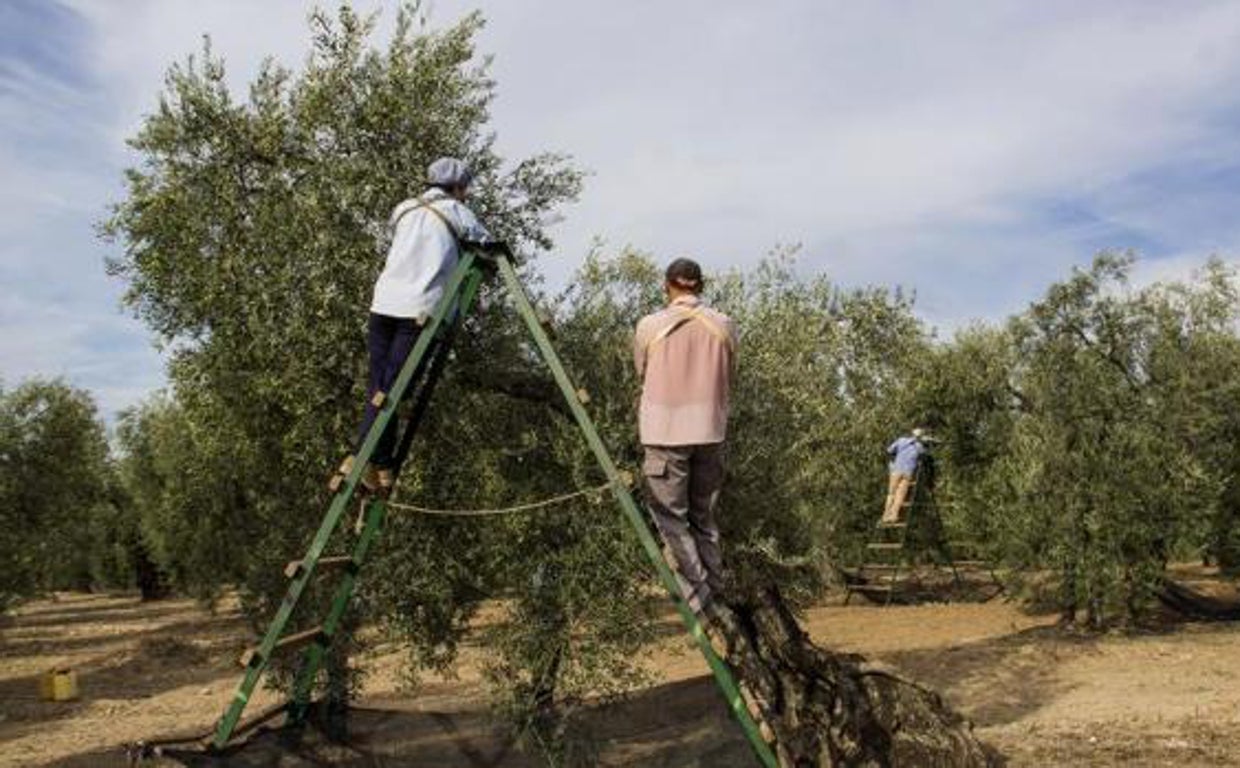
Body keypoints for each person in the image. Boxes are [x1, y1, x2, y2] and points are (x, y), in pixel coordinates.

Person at [340, 156, 492, 491]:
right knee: (396, 390)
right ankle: (359, 456)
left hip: (383, 305)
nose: (466, 194)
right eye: (464, 189)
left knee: (379, 386)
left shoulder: (404, 208)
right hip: (418, 309)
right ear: (457, 187)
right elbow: (489, 245)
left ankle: (380, 465)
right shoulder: (457, 212)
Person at [634, 258, 739, 617]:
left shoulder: (650, 326)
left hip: (664, 434)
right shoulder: (724, 325)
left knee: (672, 520)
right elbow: (731, 373)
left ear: (667, 285)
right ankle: (717, 588)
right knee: (704, 519)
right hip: (710, 433)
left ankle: (700, 603)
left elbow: (641, 371)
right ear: (701, 286)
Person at [880, 427, 928, 526]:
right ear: (921, 437)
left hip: (896, 470)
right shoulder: (919, 447)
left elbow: (889, 450)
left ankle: (886, 516)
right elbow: (924, 456)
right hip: (908, 473)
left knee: (891, 494)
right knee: (900, 496)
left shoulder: (901, 440)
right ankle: (893, 516)